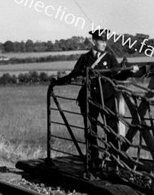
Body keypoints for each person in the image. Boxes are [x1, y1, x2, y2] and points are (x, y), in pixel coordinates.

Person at [52, 30, 134, 170]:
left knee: (112, 129)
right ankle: (93, 161)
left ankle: (114, 160)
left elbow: (118, 75)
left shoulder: (110, 58)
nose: (104, 44)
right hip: (89, 98)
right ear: (93, 41)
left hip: (107, 98)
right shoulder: (85, 58)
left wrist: (129, 71)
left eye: (105, 41)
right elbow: (74, 74)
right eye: (101, 41)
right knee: (91, 130)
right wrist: (57, 82)